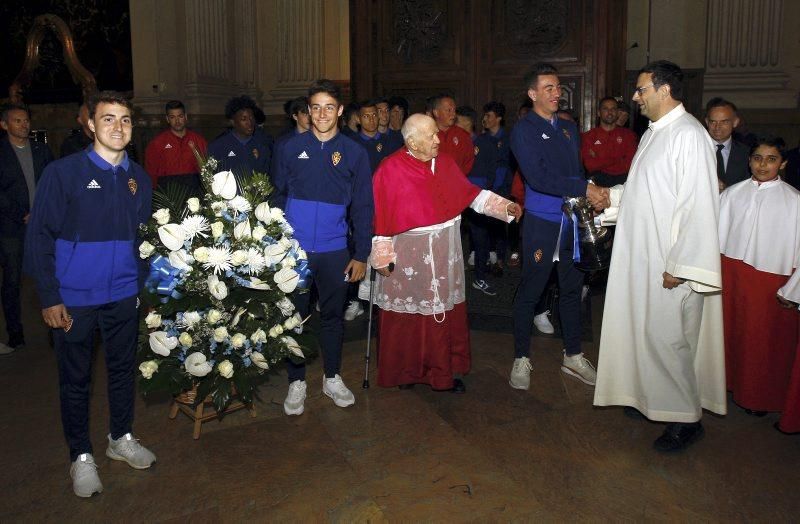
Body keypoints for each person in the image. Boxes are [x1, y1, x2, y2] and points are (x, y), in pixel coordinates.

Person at [25, 91, 156, 497]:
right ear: (91, 125)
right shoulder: (63, 173)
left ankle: (120, 437)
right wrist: (49, 296)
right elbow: (40, 237)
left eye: (125, 120)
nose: (118, 127)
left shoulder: (138, 178)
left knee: (121, 371)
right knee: (76, 379)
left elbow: (144, 240)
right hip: (75, 299)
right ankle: (80, 456)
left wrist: (140, 285)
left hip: (122, 295)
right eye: (109, 119)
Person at [592, 60, 726, 452]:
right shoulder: (655, 133)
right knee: (649, 333)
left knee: (669, 340)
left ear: (665, 90)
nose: (634, 98)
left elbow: (699, 206)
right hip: (643, 256)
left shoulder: (688, 135)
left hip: (668, 262)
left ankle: (686, 420)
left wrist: (680, 266)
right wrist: (609, 199)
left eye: (641, 90)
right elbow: (643, 191)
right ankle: (656, 401)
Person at [363, 113, 521, 391]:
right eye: (431, 136)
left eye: (437, 133)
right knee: (408, 317)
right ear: (411, 142)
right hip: (409, 256)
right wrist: (382, 255)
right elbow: (381, 218)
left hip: (445, 251)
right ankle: (407, 372)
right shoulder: (390, 169)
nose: (438, 140)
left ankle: (441, 373)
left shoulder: (444, 163)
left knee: (443, 313)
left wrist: (502, 207)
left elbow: (471, 194)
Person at [271, 79, 373, 416]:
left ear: (341, 111)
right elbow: (276, 198)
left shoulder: (355, 152)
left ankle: (331, 377)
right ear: (307, 112)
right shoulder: (288, 148)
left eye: (329, 107)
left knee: (332, 317)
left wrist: (361, 254)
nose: (322, 113)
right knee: (295, 318)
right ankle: (297, 381)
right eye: (315, 107)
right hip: (295, 253)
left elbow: (362, 205)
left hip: (334, 252)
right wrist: (277, 246)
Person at [508, 63, 602, 391]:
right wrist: (583, 189)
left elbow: (576, 170)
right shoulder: (523, 130)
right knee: (532, 290)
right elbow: (538, 177)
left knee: (572, 289)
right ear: (532, 93)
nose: (556, 93)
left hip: (572, 219)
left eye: (558, 87)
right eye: (548, 88)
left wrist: (589, 191)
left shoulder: (567, 128)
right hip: (542, 222)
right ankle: (521, 356)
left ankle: (573, 355)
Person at [719, 135, 800, 433]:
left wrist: (793, 291)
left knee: (762, 343)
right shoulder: (732, 194)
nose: (763, 165)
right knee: (731, 334)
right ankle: (726, 385)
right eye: (757, 158)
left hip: (772, 282)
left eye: (771, 159)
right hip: (731, 275)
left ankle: (758, 396)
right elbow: (714, 237)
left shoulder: (794, 201)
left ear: (783, 163)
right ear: (749, 160)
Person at [0, 103, 53, 354]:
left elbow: (53, 184)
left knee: (50, 275)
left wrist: (43, 212)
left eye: (26, 120)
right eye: (18, 121)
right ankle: (15, 333)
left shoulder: (41, 150)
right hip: (12, 227)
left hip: (42, 225)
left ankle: (56, 330)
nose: (24, 125)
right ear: (4, 125)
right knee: (12, 280)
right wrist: (21, 214)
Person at [456, 105, 499, 296]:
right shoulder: (452, 142)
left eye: (457, 120)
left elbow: (492, 172)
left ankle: (480, 277)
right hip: (454, 197)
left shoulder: (485, 143)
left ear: (467, 122)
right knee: (451, 237)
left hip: (477, 197)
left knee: (480, 238)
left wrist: (484, 194)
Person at [144, 100, 208, 193]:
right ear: (167, 119)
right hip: (168, 194)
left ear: (185, 117)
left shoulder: (199, 141)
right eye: (172, 117)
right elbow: (151, 174)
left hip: (194, 192)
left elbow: (207, 171)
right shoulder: (157, 144)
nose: (177, 121)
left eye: (180, 116)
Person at [207, 95, 273, 179]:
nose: (249, 122)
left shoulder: (262, 145)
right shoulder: (218, 146)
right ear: (233, 122)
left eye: (251, 118)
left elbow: (268, 176)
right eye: (244, 119)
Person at [482, 101, 512, 276]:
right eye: (484, 116)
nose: (484, 119)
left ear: (498, 118)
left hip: (502, 188)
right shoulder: (483, 139)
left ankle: (500, 260)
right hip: (486, 188)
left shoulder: (507, 139)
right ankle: (486, 257)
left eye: (488, 116)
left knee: (500, 225)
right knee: (485, 225)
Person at [581, 96, 638, 186]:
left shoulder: (628, 136)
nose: (610, 112)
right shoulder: (588, 136)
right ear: (599, 113)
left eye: (613, 109)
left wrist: (599, 159)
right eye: (605, 109)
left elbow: (630, 164)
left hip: (623, 183)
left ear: (617, 113)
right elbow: (590, 165)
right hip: (597, 184)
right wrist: (619, 158)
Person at [704, 97, 750, 190]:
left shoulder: (746, 154)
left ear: (735, 122)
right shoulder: (695, 150)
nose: (717, 127)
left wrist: (727, 191)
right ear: (706, 122)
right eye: (713, 121)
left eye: (724, 122)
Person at [430, 94, 474, 175]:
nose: (453, 114)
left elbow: (468, 161)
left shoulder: (463, 136)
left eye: (454, 110)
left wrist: (456, 178)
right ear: (436, 112)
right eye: (449, 110)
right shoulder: (426, 134)